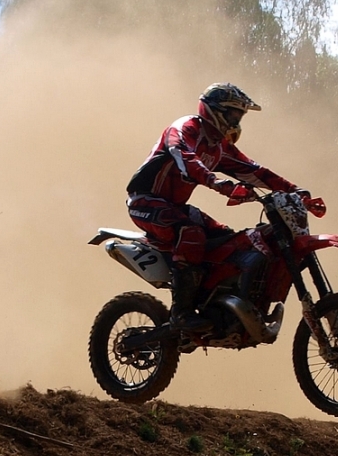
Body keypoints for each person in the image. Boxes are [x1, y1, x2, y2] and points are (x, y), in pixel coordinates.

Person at [126, 82, 313, 331]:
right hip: (145, 202)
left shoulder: (219, 147)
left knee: (228, 239)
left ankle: (213, 302)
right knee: (191, 233)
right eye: (234, 114)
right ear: (215, 110)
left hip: (176, 207)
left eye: (240, 116)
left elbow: (255, 171)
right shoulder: (185, 128)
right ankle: (181, 313)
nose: (236, 121)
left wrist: (295, 190)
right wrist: (217, 182)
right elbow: (185, 157)